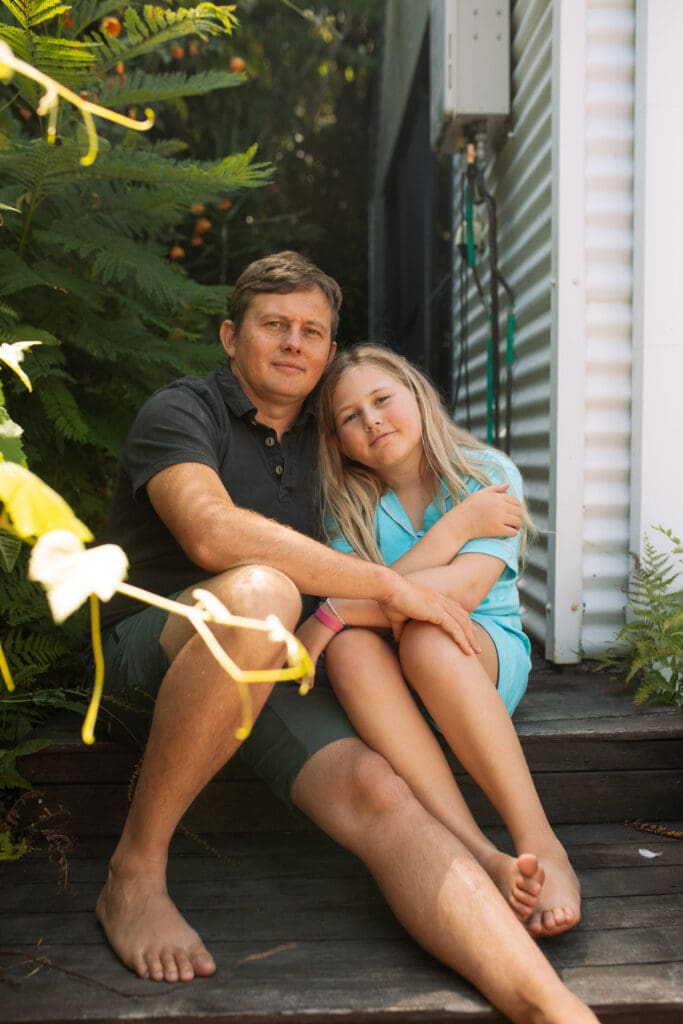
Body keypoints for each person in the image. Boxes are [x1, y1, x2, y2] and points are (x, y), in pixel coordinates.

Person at [96, 251, 598, 1024]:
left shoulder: (333, 446)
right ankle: (135, 871)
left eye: (311, 331)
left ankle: (548, 1005)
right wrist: (389, 588)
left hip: (280, 660)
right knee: (261, 593)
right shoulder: (182, 412)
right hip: (157, 649)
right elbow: (209, 531)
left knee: (377, 789)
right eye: (274, 325)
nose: (293, 343)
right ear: (230, 336)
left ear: (329, 350)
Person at [296, 343, 581, 940]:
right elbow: (369, 599)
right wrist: (454, 529)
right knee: (349, 648)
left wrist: (342, 608)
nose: (372, 420)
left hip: (477, 656)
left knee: (427, 630)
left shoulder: (485, 475)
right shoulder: (348, 507)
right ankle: (476, 851)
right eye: (350, 416)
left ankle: (541, 843)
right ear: (338, 441)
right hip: (389, 679)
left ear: (418, 396)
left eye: (382, 399)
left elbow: (462, 590)